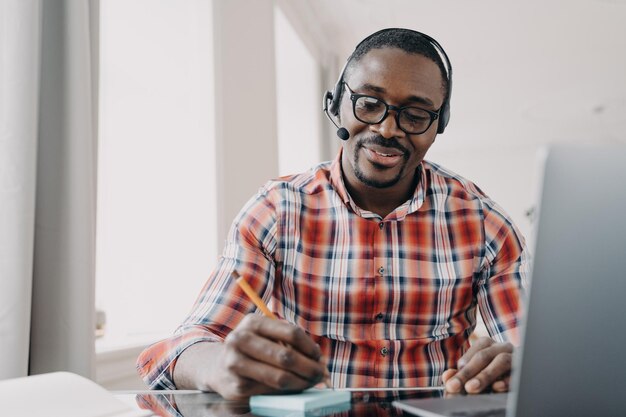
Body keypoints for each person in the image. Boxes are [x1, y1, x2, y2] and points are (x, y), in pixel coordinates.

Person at [137, 28, 530, 400]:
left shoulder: (484, 223)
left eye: (415, 114)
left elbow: (530, 353)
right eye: (369, 103)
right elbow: (189, 344)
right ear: (336, 105)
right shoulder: (276, 209)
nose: (389, 129)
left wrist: (521, 366)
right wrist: (221, 366)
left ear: (438, 125)